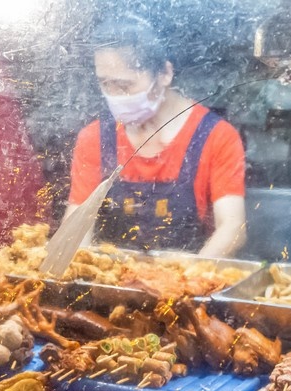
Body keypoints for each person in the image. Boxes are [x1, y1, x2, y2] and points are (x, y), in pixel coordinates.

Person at [67, 15, 246, 257]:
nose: (114, 96)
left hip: (187, 285)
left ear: (164, 74)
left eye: (124, 85)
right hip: (111, 285)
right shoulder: (94, 138)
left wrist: (188, 276)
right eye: (105, 84)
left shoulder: (216, 136)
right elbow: (76, 228)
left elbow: (233, 227)